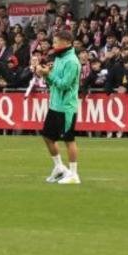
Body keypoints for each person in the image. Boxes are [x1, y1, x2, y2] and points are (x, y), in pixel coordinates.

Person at [37, 29, 82, 185]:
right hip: (55, 105)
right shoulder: (59, 58)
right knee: (47, 136)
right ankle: (59, 167)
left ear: (67, 43)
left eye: (56, 42)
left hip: (67, 107)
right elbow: (53, 82)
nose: (54, 44)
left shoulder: (72, 61)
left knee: (68, 139)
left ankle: (74, 174)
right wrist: (45, 74)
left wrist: (48, 75)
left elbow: (64, 84)